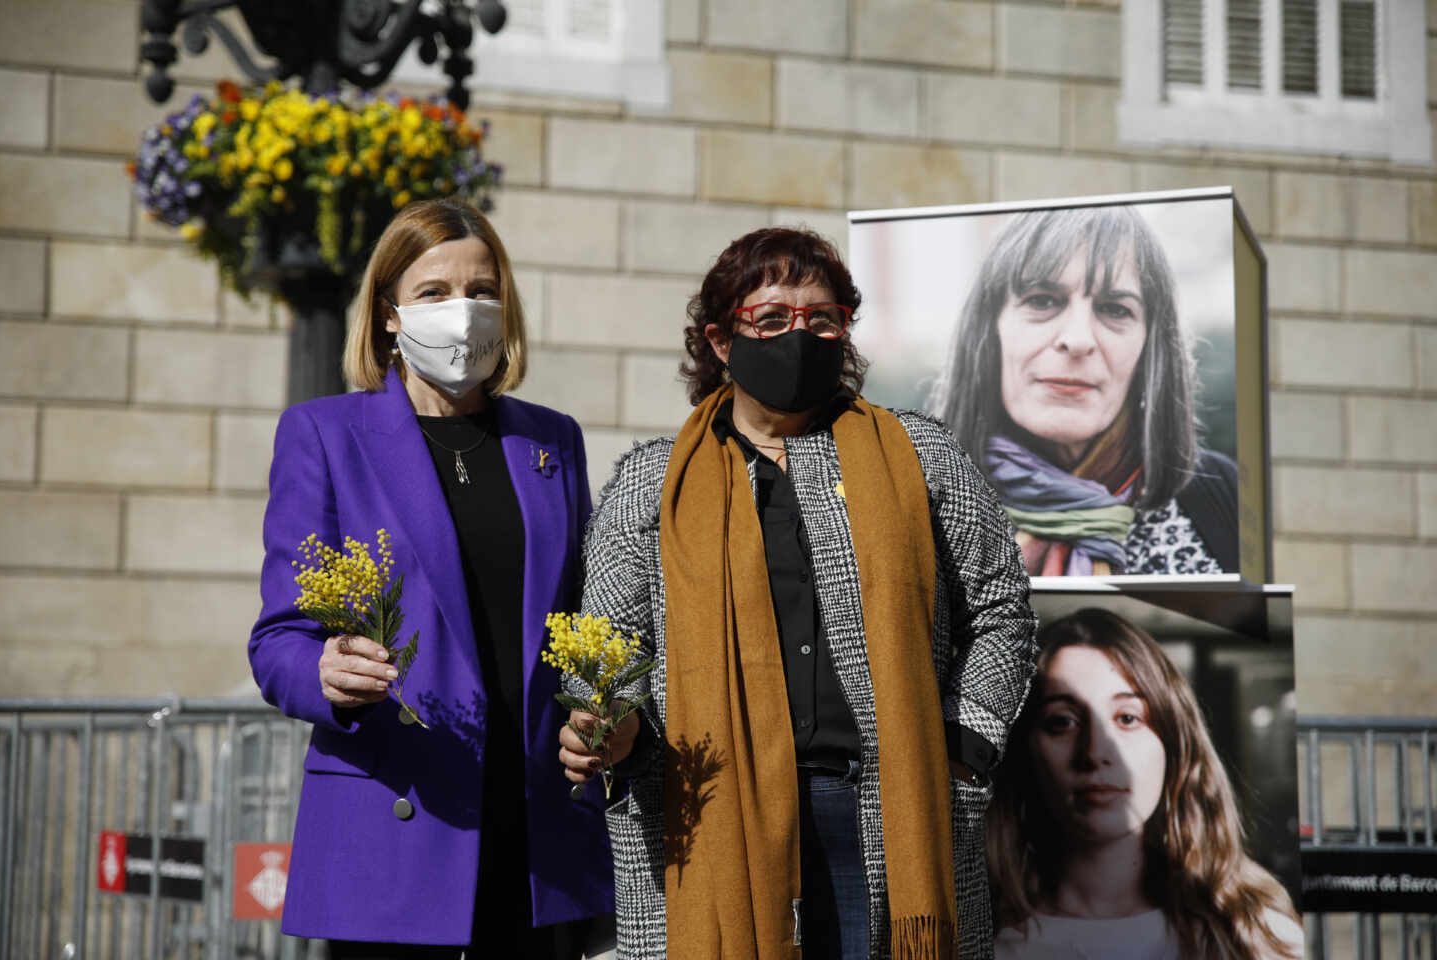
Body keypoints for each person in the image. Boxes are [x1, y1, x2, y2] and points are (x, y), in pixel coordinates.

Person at [560, 227, 1039, 960]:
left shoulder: (920, 455)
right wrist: (614, 724)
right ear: (722, 341)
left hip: (889, 813)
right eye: (774, 318)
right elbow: (610, 647)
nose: (801, 334)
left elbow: (1001, 607)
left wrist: (962, 747)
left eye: (822, 318)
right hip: (709, 815)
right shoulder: (651, 483)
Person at [249, 197, 614, 958]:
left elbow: (583, 619)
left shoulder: (551, 441)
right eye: (434, 293)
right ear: (388, 314)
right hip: (401, 832)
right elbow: (280, 638)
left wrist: (603, 712)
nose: (465, 312)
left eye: (483, 291)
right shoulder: (325, 434)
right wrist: (325, 669)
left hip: (537, 840)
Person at [927, 206, 1238, 577]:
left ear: (1149, 348)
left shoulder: (1222, 495)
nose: (1077, 339)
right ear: (989, 331)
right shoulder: (918, 510)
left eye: (1114, 309)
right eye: (1042, 300)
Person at [986, 608, 1303, 960]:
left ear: (1174, 744)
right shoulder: (978, 942)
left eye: (1127, 718)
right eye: (1062, 721)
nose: (1095, 752)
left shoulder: (1257, 937)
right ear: (1023, 750)